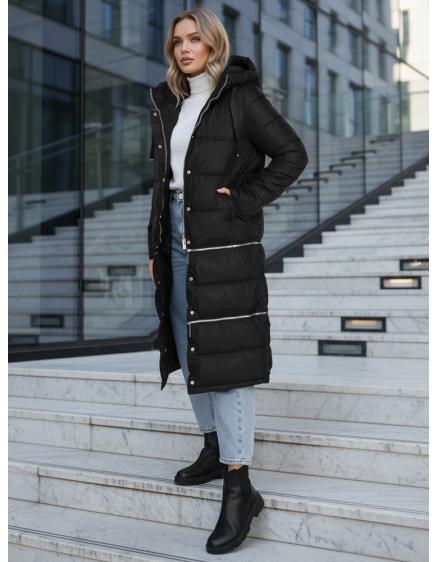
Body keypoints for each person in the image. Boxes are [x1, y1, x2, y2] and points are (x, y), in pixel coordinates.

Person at [147, 7, 308, 555]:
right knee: (189, 347)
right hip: (175, 240)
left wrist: (242, 199)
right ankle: (214, 448)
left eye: (195, 39)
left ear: (214, 44)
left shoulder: (241, 97)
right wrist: (155, 247)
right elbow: (163, 182)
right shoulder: (169, 102)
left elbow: (292, 154)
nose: (184, 48)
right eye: (177, 41)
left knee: (228, 357)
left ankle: (240, 486)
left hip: (224, 244)